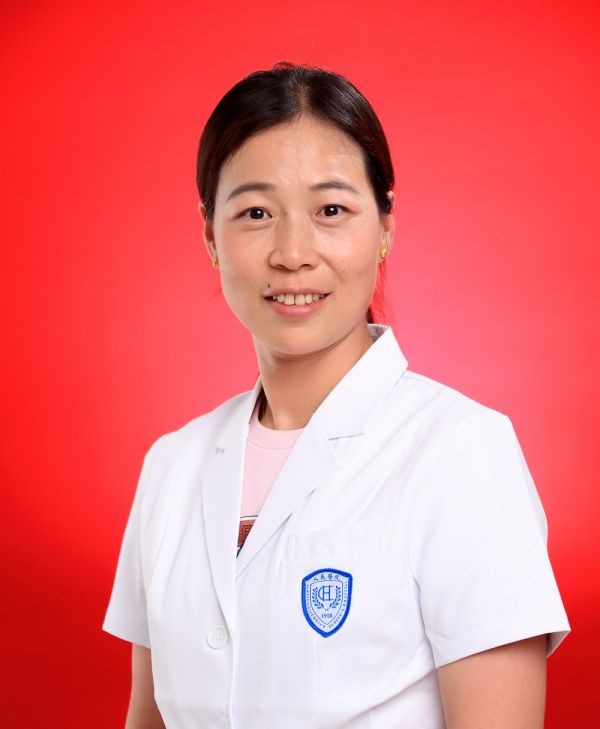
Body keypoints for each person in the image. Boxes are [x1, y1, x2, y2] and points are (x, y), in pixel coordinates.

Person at [102, 62, 571, 729]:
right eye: (256, 213)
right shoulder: (170, 467)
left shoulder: (462, 452)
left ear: (385, 228)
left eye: (331, 211)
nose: (293, 253)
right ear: (210, 236)